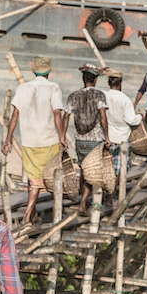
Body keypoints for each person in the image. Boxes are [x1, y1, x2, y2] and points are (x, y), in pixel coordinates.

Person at [2, 56, 67, 226]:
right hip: (48, 140)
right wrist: (61, 136)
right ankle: (27, 217)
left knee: (34, 179)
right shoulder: (54, 87)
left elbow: (15, 115)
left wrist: (8, 139)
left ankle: (34, 214)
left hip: (28, 141)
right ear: (48, 72)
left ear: (33, 70)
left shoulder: (23, 88)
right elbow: (57, 113)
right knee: (42, 180)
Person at [62, 63, 110, 215]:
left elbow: (65, 117)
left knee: (84, 170)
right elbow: (103, 116)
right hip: (95, 140)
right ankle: (84, 203)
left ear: (83, 78)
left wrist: (62, 137)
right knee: (93, 172)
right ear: (95, 79)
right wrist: (107, 137)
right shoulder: (99, 95)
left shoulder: (73, 95)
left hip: (79, 140)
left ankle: (84, 199)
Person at [101, 68, 142, 178]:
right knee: (117, 171)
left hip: (105, 138)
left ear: (108, 83)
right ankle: (112, 194)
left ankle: (105, 193)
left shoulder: (103, 96)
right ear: (121, 83)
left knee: (104, 169)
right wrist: (139, 117)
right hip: (121, 139)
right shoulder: (125, 100)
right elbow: (131, 120)